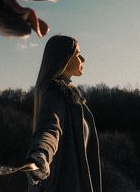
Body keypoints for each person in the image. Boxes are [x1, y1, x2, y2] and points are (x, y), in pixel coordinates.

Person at [26, 35, 101, 191]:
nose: (83, 59)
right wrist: (41, 155)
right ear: (64, 59)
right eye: (78, 54)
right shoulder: (55, 94)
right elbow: (50, 128)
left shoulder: (69, 96)